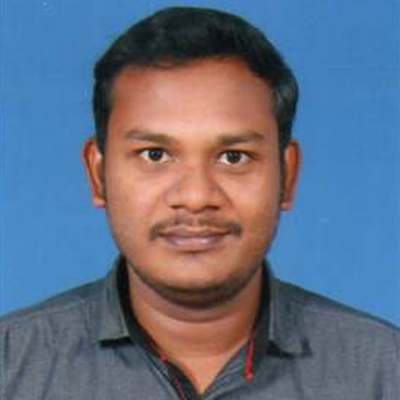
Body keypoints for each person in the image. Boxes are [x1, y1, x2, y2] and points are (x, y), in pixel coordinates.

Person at [0, 6, 399, 399]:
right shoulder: (11, 366)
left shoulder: (382, 371)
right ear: (97, 174)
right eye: (155, 154)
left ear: (288, 175)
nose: (195, 197)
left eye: (233, 157)